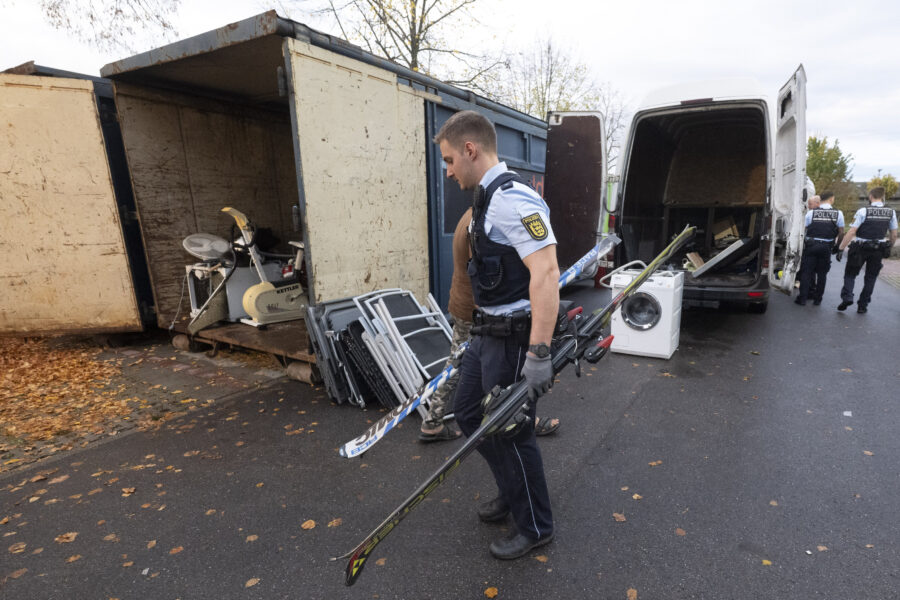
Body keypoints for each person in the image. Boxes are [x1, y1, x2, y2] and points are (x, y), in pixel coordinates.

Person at [434, 110, 558, 560]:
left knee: (512, 431)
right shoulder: (485, 200)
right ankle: (513, 488)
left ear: (471, 150)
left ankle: (536, 525)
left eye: (449, 160)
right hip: (485, 334)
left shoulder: (513, 200)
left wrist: (540, 350)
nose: (448, 171)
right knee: (468, 413)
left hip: (511, 338)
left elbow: (546, 271)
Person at [418, 208, 560, 442]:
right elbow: (487, 276)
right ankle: (518, 418)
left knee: (457, 362)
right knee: (494, 364)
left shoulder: (470, 216)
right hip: (476, 309)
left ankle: (433, 420)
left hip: (464, 303)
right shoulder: (484, 221)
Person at [837, 187, 898, 313]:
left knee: (850, 274)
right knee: (871, 278)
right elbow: (894, 234)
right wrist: (889, 247)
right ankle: (863, 305)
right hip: (878, 249)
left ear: (871, 196)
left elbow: (852, 231)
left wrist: (841, 248)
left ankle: (847, 296)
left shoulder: (863, 211)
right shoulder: (890, 212)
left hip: (860, 247)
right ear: (883, 196)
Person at [795, 192, 844, 305]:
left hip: (811, 246)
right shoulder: (838, 213)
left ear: (820, 200)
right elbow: (841, 233)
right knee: (822, 274)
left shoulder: (811, 213)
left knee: (807, 273)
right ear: (831, 199)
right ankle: (818, 300)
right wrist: (837, 247)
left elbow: (802, 230)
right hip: (826, 247)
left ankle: (802, 299)